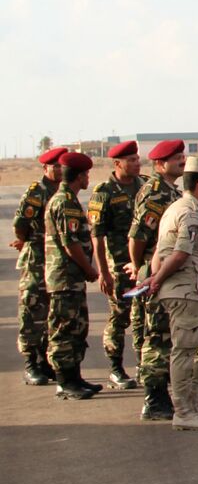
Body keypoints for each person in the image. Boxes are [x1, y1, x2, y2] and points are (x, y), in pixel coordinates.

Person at [140, 157, 198, 430]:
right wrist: (157, 280)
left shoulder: (175, 207)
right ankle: (184, 412)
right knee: (185, 350)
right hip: (185, 290)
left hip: (189, 290)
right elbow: (179, 253)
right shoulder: (190, 211)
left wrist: (155, 277)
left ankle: (193, 403)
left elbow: (159, 251)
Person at [127, 138, 186, 421]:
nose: (183, 162)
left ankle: (160, 393)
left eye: (183, 157)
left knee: (164, 334)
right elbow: (137, 237)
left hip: (163, 271)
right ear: (161, 164)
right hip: (155, 273)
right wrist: (143, 269)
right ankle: (154, 398)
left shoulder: (170, 191)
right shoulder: (154, 194)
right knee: (157, 335)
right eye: (177, 159)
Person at [88, 140, 145, 390]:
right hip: (119, 266)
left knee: (144, 315)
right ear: (117, 163)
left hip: (142, 265)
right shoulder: (104, 192)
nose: (136, 163)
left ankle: (145, 365)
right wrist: (103, 271)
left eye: (137, 158)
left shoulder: (144, 185)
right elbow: (97, 236)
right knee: (120, 316)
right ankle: (115, 368)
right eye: (131, 159)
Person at [45, 152, 102, 400]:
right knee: (64, 329)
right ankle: (65, 382)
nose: (88, 178)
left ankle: (75, 378)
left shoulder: (68, 200)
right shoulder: (65, 202)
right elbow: (71, 243)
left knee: (77, 328)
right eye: (87, 174)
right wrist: (89, 269)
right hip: (64, 278)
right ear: (79, 176)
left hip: (71, 278)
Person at [13, 146, 68, 386]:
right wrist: (26, 240)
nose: (58, 169)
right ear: (45, 168)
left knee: (50, 312)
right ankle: (30, 363)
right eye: (54, 166)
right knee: (31, 308)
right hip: (36, 258)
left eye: (60, 166)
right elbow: (21, 223)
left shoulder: (64, 191)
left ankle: (45, 362)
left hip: (55, 260)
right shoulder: (38, 192)